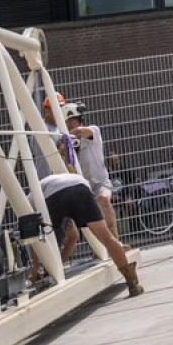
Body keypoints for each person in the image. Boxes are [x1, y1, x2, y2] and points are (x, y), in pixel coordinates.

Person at [29, 170, 143, 297]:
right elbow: (74, 237)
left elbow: (36, 239)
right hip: (80, 188)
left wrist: (34, 272)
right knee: (107, 238)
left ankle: (47, 275)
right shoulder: (67, 178)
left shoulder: (30, 198)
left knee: (45, 240)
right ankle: (132, 282)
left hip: (54, 196)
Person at [64, 104, 121, 243]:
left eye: (73, 121)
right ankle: (104, 246)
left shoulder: (92, 131)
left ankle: (117, 241)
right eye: (68, 122)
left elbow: (80, 131)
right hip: (84, 187)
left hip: (101, 181)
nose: (71, 125)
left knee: (104, 200)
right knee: (93, 221)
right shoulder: (69, 143)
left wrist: (67, 136)